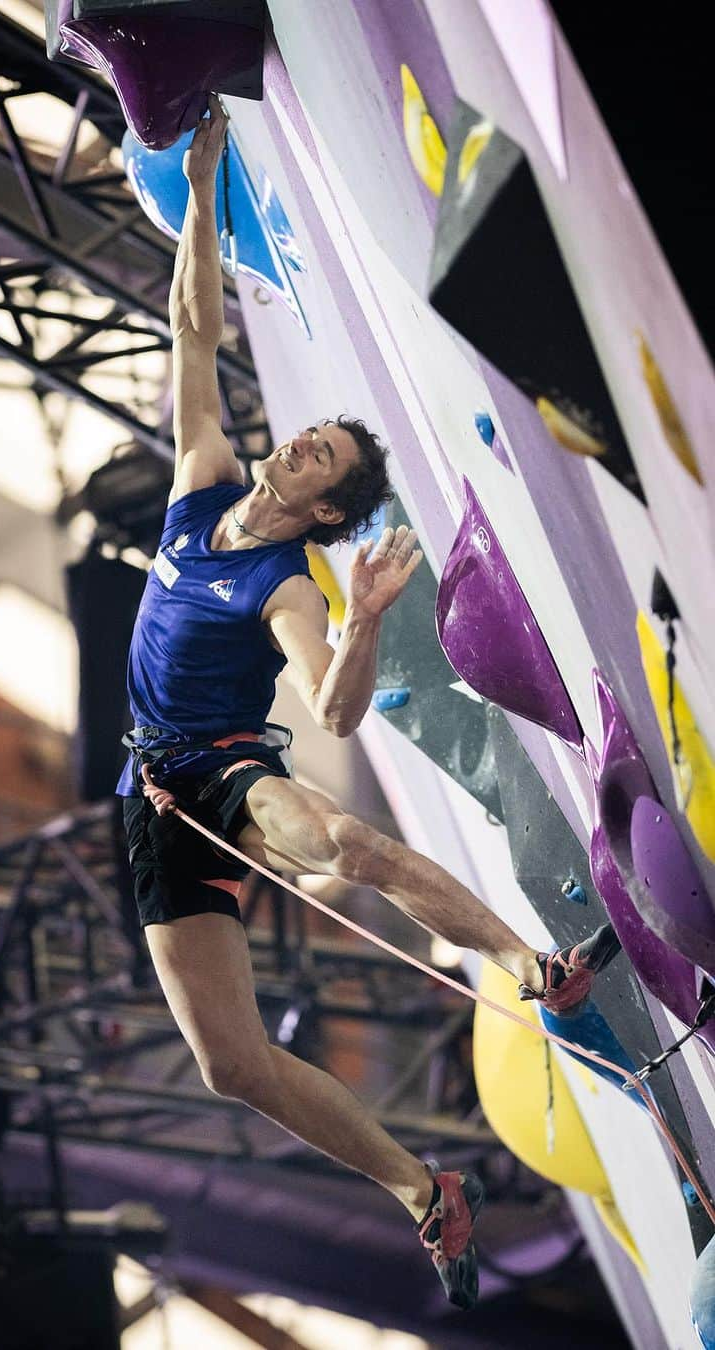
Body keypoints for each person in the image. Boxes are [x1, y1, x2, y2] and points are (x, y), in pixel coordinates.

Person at [115, 96, 618, 1309]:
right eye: (307, 440)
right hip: (146, 793)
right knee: (231, 1065)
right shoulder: (203, 487)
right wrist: (209, 169)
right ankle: (419, 1191)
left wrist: (370, 615)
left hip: (226, 767)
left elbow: (334, 716)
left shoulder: (286, 581)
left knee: (341, 842)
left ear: (330, 512)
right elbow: (193, 328)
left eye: (324, 461)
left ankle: (532, 967)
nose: (298, 450)